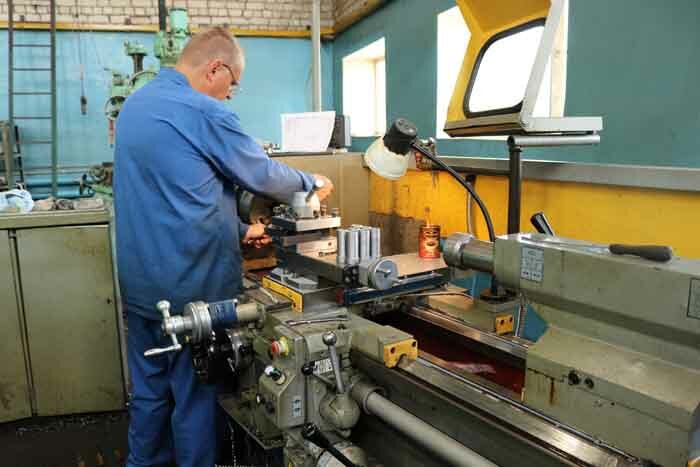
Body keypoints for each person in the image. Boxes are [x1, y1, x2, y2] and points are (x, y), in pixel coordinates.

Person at [113, 27, 333, 467]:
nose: (231, 94)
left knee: (150, 393)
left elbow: (171, 195)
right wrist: (312, 183)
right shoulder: (202, 110)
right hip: (191, 291)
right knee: (196, 397)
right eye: (233, 83)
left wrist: (239, 230)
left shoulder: (135, 106)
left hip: (141, 289)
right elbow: (261, 174)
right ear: (216, 68)